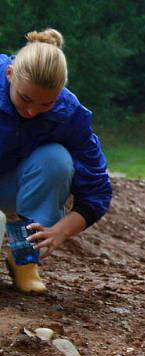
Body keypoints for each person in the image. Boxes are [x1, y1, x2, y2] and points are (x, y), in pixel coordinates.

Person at [1, 29, 112, 294]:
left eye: (45, 104)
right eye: (25, 98)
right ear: (10, 75)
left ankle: (24, 259)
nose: (32, 111)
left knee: (56, 161)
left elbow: (97, 189)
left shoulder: (70, 114)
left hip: (14, 183)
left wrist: (61, 230)